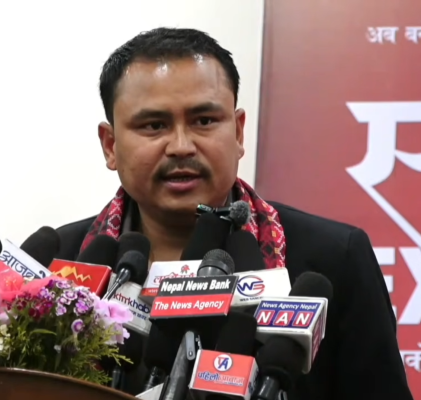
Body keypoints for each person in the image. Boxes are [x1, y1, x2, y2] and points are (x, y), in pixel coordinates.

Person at [54, 27, 413, 399]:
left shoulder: (334, 258)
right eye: (154, 126)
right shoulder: (60, 266)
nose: (181, 146)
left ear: (239, 132)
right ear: (110, 145)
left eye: (204, 121)